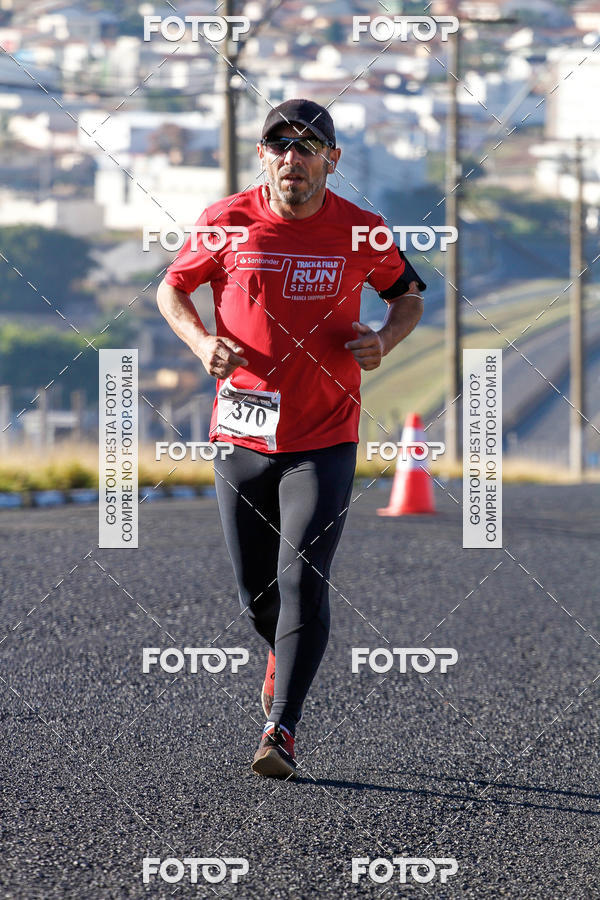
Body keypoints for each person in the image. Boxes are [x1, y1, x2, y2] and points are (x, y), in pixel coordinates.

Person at [156, 99, 426, 779]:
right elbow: (172, 289)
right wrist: (200, 342)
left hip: (324, 437)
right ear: (263, 156)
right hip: (242, 435)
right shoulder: (226, 221)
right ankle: (280, 652)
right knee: (257, 595)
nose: (293, 158)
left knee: (302, 578)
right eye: (281, 145)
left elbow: (409, 295)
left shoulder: (361, 231)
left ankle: (281, 729)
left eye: (309, 146)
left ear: (332, 160)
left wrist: (384, 341)